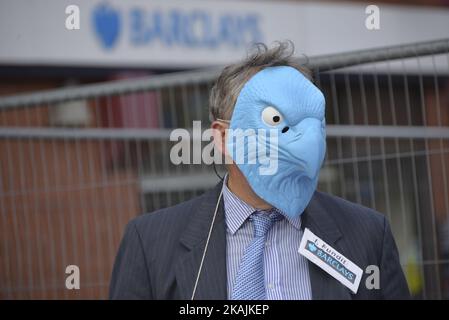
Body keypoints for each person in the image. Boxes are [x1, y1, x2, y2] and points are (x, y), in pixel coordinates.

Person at [109, 41, 410, 300]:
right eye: (276, 120)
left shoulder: (368, 234)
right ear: (224, 137)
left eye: (314, 122)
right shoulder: (150, 243)